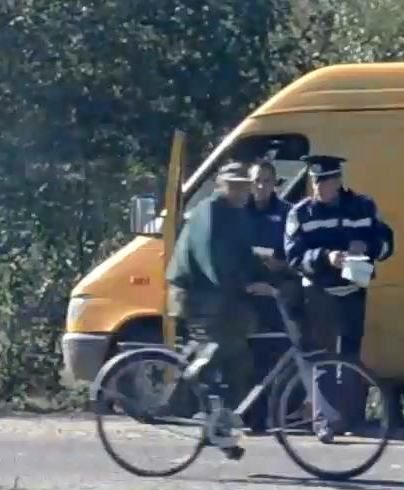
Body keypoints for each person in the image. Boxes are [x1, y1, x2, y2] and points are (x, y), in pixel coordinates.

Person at [165, 161, 272, 457]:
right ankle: (182, 397)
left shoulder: (236, 213)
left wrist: (273, 274)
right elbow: (213, 261)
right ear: (220, 186)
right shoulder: (209, 212)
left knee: (237, 359)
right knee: (221, 348)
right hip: (197, 293)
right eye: (234, 186)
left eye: (244, 186)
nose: (240, 192)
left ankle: (217, 426)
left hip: (218, 293)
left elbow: (243, 255)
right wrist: (246, 285)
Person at [284, 153, 386, 441]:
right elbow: (294, 256)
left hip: (353, 289)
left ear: (338, 181)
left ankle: (352, 418)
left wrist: (367, 246)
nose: (319, 187)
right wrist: (325, 257)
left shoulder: (363, 206)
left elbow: (386, 242)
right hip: (318, 292)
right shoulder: (301, 214)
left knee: (351, 357)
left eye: (325, 181)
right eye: (315, 181)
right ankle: (325, 422)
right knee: (323, 358)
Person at [243, 159, 295, 433]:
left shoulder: (287, 213)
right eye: (256, 181)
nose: (261, 187)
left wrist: (280, 266)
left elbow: (296, 258)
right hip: (244, 295)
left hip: (276, 295)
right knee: (247, 360)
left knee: (275, 358)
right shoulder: (239, 211)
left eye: (266, 181)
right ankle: (250, 416)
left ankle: (276, 415)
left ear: (275, 183)